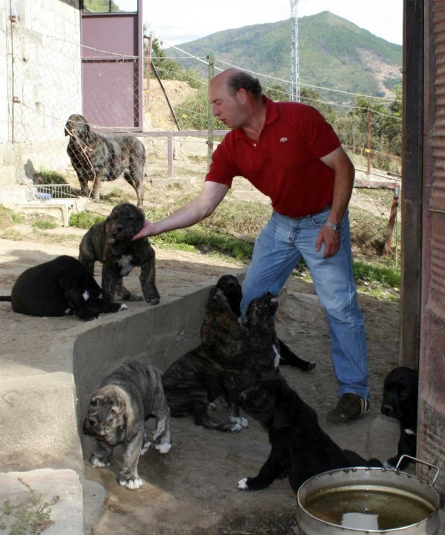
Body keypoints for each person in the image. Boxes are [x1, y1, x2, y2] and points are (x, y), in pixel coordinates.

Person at [133, 68, 370, 424]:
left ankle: (355, 392)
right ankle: (249, 378)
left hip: (322, 221)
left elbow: (344, 168)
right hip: (281, 226)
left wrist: (334, 223)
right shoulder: (231, 147)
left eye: (218, 102)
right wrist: (156, 227)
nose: (215, 111)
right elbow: (203, 205)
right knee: (250, 301)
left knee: (340, 307)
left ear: (243, 96)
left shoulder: (299, 118)